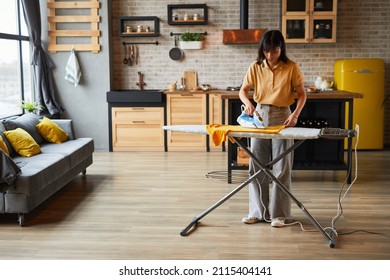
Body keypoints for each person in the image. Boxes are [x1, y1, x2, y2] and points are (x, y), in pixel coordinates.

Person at [238, 29, 307, 227]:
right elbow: (243, 90)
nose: (270, 55)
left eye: (275, 50)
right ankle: (258, 211)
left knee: (281, 167)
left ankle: (279, 215)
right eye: (267, 51)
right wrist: (248, 102)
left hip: (283, 115)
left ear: (281, 48)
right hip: (259, 115)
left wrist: (295, 115)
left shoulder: (291, 67)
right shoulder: (255, 66)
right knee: (256, 165)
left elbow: (302, 94)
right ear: (262, 49)